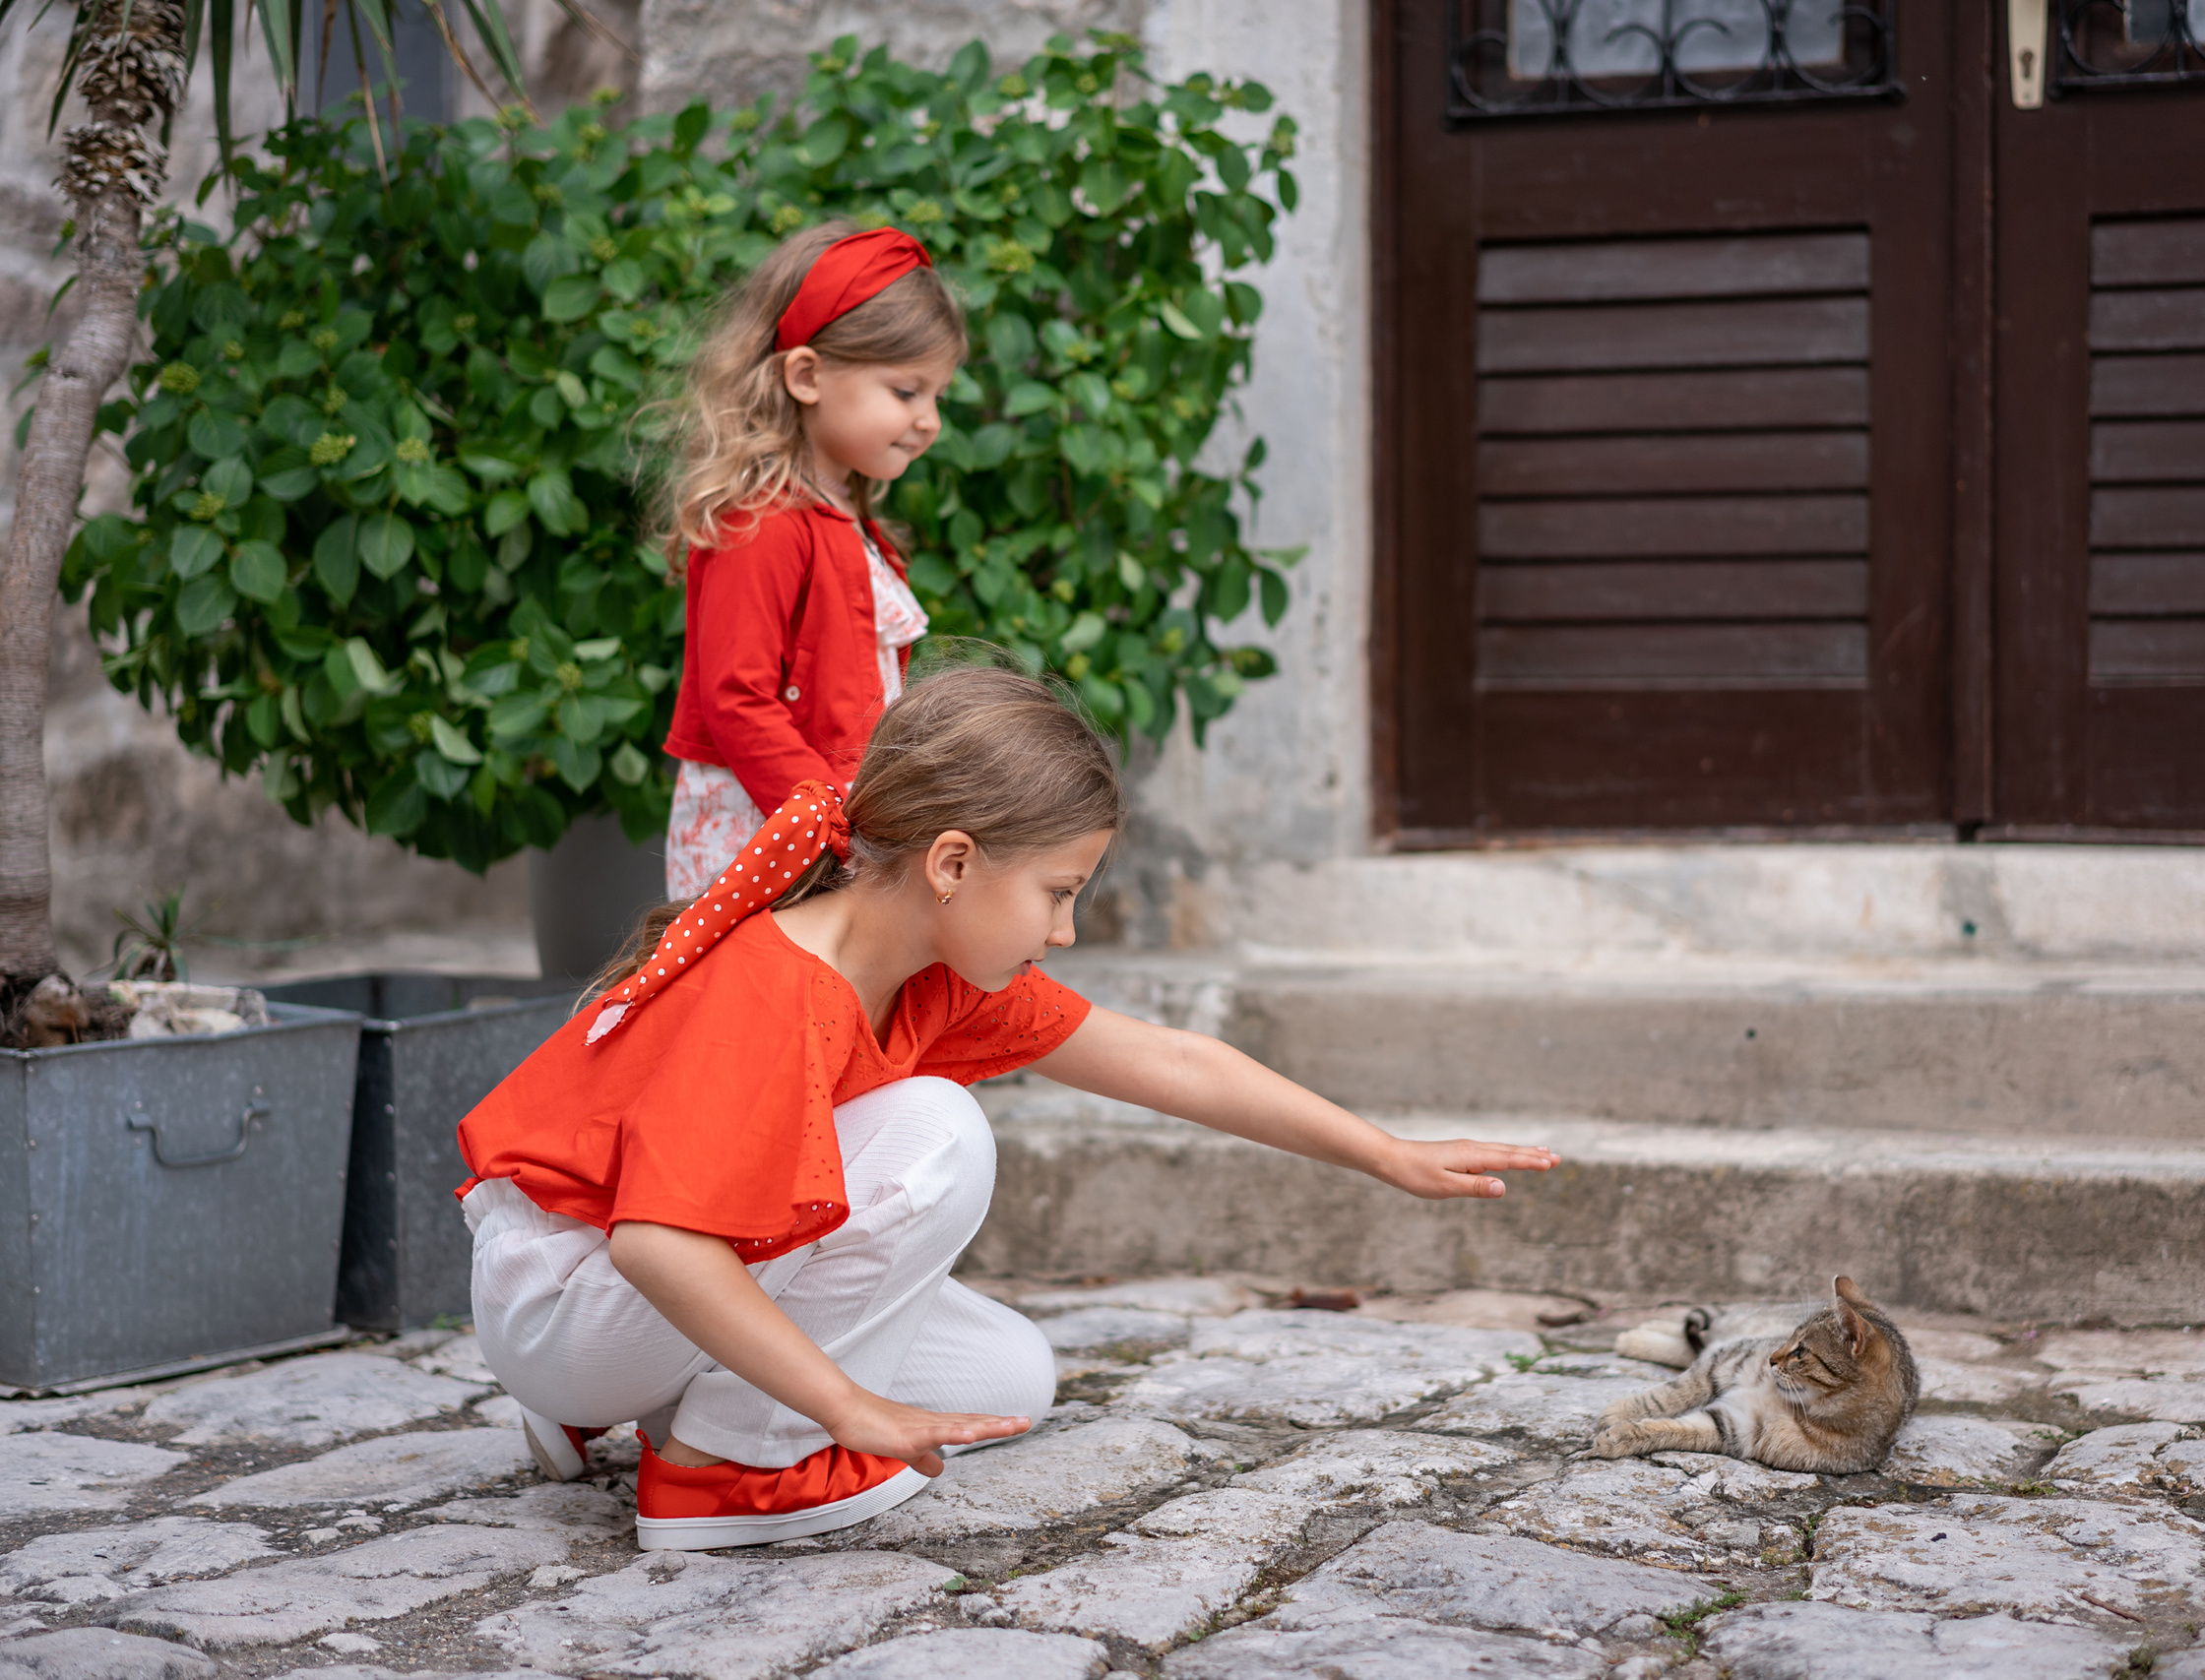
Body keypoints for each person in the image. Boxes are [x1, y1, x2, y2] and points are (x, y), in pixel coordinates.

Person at [457, 662, 1560, 1551]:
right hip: (571, 1298)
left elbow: (1173, 1061)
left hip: (625, 1298)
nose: (1063, 931)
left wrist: (1383, 1153)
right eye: (1058, 894)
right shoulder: (774, 983)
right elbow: (658, 1245)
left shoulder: (936, 974)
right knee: (936, 1131)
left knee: (1006, 1381)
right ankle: (720, 1468)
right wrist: (847, 1411)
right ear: (952, 862)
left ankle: (656, 1407)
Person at [656, 220, 953, 900]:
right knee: (762, 1001)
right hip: (767, 831)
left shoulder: (847, 518)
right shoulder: (760, 520)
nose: (931, 419)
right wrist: (827, 824)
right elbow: (736, 698)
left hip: (831, 824)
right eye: (907, 392)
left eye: (939, 395)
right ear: (808, 375)